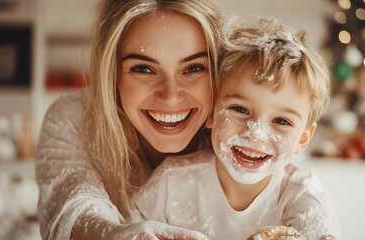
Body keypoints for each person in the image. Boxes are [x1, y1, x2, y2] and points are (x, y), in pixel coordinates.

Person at [133, 19, 340, 239]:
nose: (256, 133)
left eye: (281, 121)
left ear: (303, 139)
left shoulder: (302, 199)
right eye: (239, 109)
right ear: (211, 113)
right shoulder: (171, 182)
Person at [35, 0, 223, 239]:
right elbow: (72, 205)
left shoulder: (246, 127)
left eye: (194, 68)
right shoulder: (73, 118)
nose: (171, 96)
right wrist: (112, 234)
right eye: (143, 69)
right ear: (113, 73)